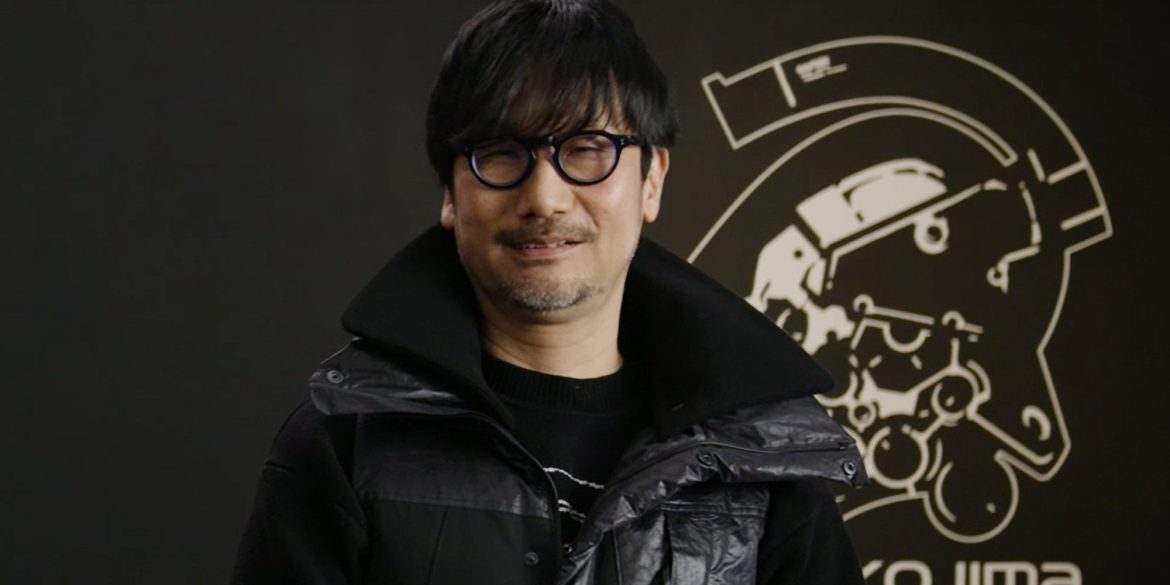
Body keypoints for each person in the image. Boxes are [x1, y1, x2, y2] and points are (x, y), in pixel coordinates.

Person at [231, 1, 867, 583]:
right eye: (501, 152)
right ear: (450, 194)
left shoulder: (760, 457)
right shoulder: (346, 440)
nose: (544, 198)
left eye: (588, 149)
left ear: (651, 181)